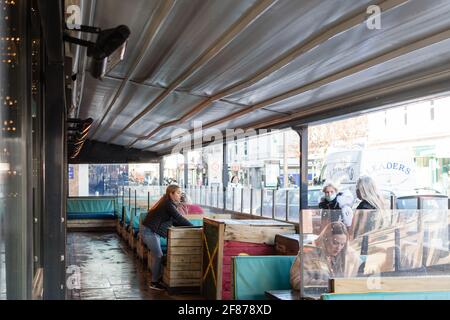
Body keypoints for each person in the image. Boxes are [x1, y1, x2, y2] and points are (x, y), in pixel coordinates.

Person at [141, 185, 193, 290]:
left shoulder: (169, 204)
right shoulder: (167, 204)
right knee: (159, 255)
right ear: (171, 194)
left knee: (159, 255)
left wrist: (191, 228)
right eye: (178, 193)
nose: (180, 195)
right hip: (149, 231)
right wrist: (194, 227)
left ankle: (157, 280)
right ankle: (154, 283)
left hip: (152, 231)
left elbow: (175, 221)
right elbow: (178, 217)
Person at [290, 221, 359, 290]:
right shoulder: (308, 252)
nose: (339, 248)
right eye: (335, 243)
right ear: (325, 239)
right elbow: (297, 281)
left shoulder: (349, 255)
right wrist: (327, 284)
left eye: (342, 244)